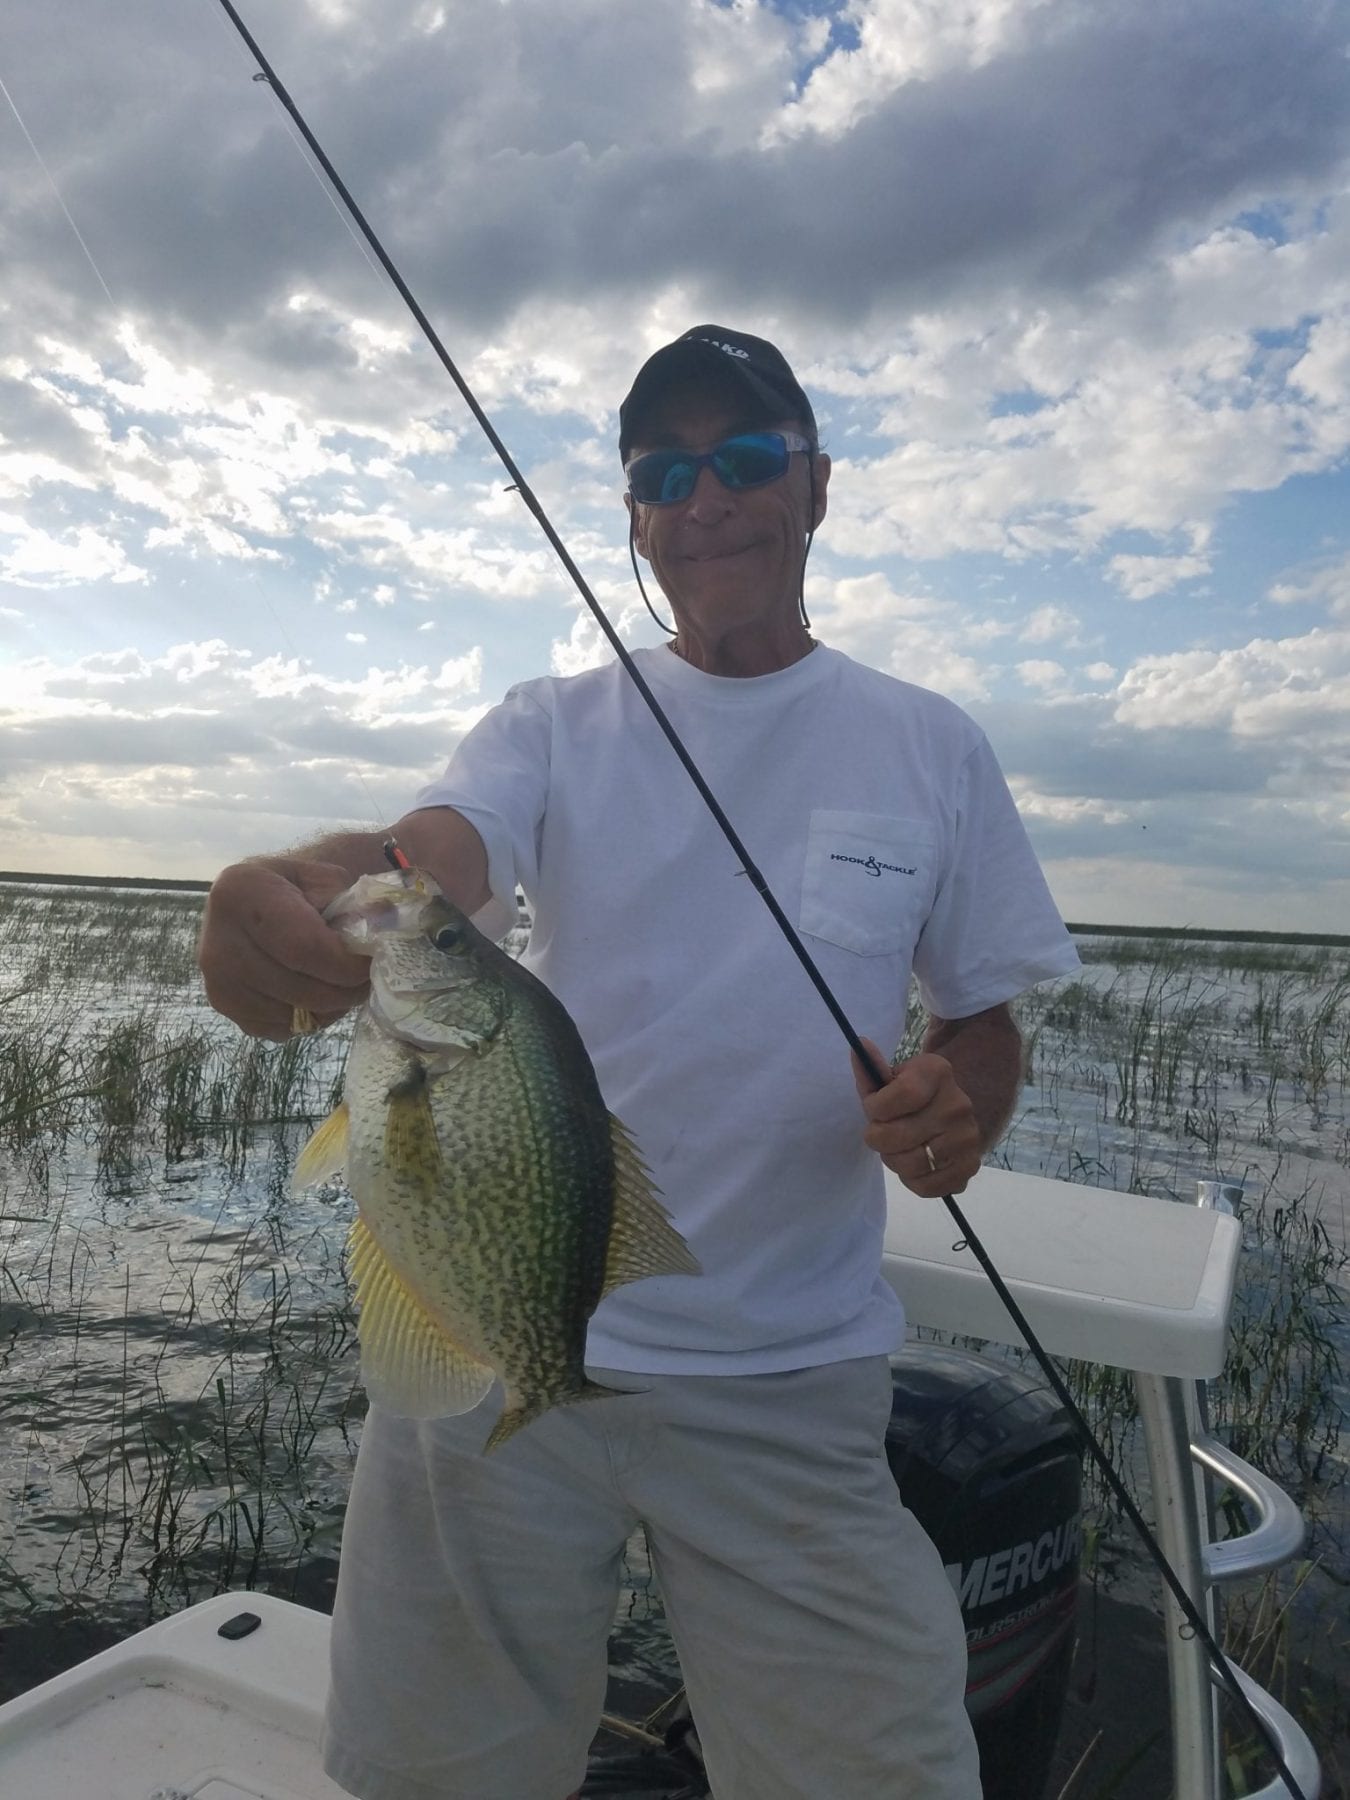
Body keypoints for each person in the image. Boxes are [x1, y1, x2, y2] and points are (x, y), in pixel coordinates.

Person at [199, 324, 1080, 1800]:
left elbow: (983, 1015)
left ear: (816, 486)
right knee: (432, 1775)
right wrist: (288, 884)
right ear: (631, 522)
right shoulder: (552, 724)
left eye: (742, 458)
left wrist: (960, 1105)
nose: (703, 495)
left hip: (790, 1373)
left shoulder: (928, 744)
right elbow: (428, 866)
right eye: (661, 472)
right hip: (498, 1350)